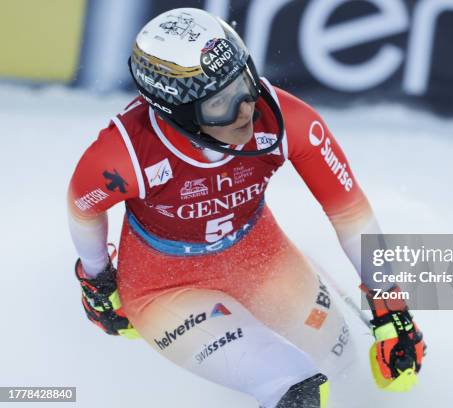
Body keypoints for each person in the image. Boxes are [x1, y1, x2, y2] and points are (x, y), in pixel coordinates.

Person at [67, 8, 425, 408]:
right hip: (165, 289)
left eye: (244, 84)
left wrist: (388, 302)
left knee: (345, 370)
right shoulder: (123, 154)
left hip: (262, 259)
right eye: (220, 103)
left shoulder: (288, 119)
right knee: (297, 388)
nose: (246, 110)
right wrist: (97, 281)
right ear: (178, 112)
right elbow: (83, 209)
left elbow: (349, 212)